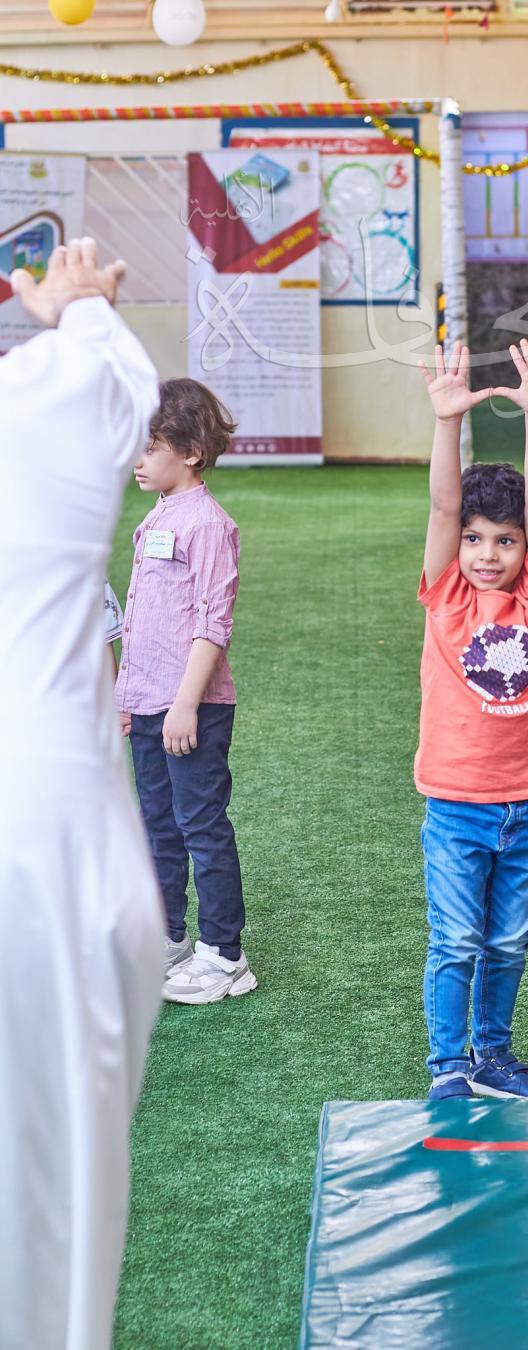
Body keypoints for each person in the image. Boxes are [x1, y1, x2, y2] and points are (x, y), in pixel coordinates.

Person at [0, 239, 164, 1349]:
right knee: (55, 1197)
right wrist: (78, 307)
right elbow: (118, 386)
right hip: (42, 846)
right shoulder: (37, 412)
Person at [416, 338, 528, 1101]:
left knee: (509, 940)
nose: (487, 553)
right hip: (458, 804)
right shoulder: (447, 595)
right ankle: (447, 1066)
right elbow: (442, 505)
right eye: (475, 539)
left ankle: (491, 1054)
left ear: (526, 547)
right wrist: (447, 422)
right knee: (457, 938)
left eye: (505, 540)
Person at [117, 378, 256, 1004]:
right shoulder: (159, 515)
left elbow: (211, 623)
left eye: (152, 447)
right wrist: (129, 699)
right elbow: (144, 616)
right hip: (149, 702)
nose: (139, 459)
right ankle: (168, 937)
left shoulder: (208, 524)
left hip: (191, 708)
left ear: (191, 453)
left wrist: (184, 704)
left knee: (200, 824)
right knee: (158, 825)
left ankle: (225, 954)